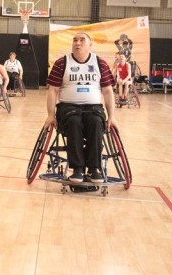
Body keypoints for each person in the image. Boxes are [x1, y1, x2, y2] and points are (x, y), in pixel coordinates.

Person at [44, 32, 117, 183]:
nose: (77, 43)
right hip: (68, 108)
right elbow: (53, 91)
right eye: (75, 40)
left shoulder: (100, 63)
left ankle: (94, 168)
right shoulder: (62, 63)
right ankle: (77, 169)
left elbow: (108, 91)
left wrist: (112, 117)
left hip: (93, 108)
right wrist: (50, 115)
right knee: (74, 122)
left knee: (96, 122)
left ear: (90, 45)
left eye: (82, 40)